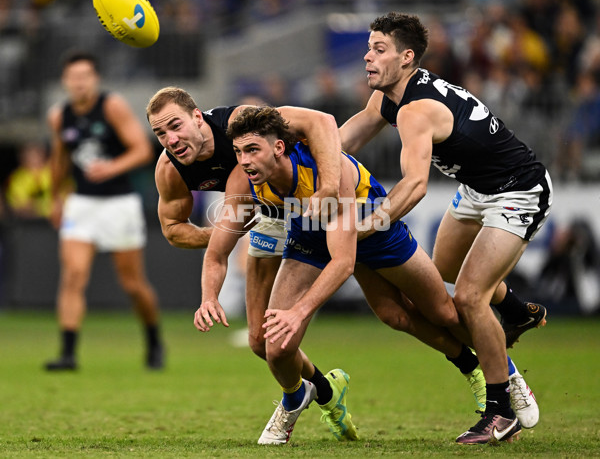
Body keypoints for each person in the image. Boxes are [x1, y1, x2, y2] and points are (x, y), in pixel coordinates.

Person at [195, 106, 538, 445]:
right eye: (239, 151)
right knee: (279, 346)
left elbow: (343, 262)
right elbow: (217, 251)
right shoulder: (244, 179)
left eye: (253, 150)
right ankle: (295, 398)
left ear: (279, 147)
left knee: (443, 313)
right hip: (310, 232)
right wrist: (209, 297)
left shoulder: (327, 173)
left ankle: (503, 373)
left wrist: (298, 312)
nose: (244, 160)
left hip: (372, 227)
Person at [340, 12, 552, 444]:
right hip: (477, 189)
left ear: (407, 58)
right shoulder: (388, 97)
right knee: (444, 278)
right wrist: (291, 154)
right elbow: (344, 140)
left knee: (471, 297)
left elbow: (415, 186)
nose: (367, 57)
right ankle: (513, 310)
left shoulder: (417, 110)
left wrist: (362, 228)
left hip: (518, 189)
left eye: (379, 50)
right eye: (368, 47)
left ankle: (499, 410)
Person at [146, 87, 358, 443]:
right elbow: (173, 231)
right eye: (160, 133)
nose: (171, 139)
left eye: (175, 126)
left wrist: (329, 187)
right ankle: (324, 390)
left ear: (198, 117)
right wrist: (225, 234)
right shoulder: (170, 170)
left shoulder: (240, 121)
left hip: (309, 200)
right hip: (266, 218)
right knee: (262, 342)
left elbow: (321, 121)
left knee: (396, 312)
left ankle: (478, 376)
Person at [45, 51, 164, 371]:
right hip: (81, 203)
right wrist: (56, 198)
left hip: (118, 203)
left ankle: (154, 340)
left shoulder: (112, 106)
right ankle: (68, 353)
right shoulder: (59, 116)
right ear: (65, 81)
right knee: (73, 276)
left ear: (95, 79)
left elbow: (141, 149)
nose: (79, 83)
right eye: (74, 77)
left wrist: (110, 168)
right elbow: (59, 160)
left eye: (85, 76)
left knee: (133, 285)